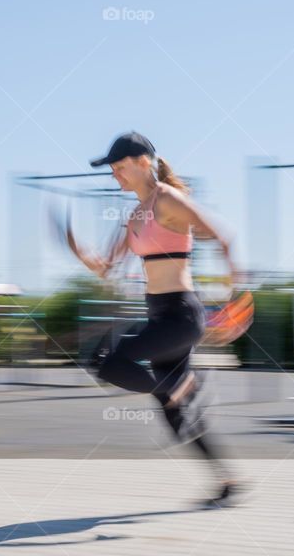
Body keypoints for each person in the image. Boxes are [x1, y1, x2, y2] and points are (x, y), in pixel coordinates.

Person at [72, 131, 244, 507]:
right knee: (176, 417)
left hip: (181, 315)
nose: (116, 175)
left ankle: (179, 387)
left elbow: (222, 237)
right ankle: (228, 480)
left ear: (143, 163)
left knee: (108, 362)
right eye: (112, 170)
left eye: (120, 167)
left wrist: (232, 300)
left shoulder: (169, 200)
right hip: (159, 315)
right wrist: (85, 257)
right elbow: (109, 268)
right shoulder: (135, 214)